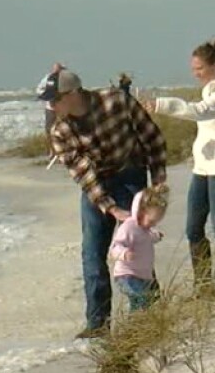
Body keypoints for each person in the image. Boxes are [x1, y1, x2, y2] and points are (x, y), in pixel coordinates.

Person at [41, 67, 169, 339]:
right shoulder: (59, 131)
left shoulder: (116, 101)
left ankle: (149, 313)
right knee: (92, 253)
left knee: (138, 245)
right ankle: (98, 324)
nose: (51, 106)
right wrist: (111, 208)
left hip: (131, 173)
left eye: (56, 99)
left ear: (74, 93)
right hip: (97, 184)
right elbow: (84, 175)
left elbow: (152, 137)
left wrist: (158, 182)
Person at [145, 37, 215, 294]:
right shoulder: (210, 88)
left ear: (214, 65)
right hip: (203, 166)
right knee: (193, 229)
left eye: (199, 69)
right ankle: (204, 287)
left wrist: (161, 105)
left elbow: (202, 111)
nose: (196, 74)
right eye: (194, 69)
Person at [111, 184, 169, 313]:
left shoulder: (145, 229)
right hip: (126, 275)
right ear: (140, 212)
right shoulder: (129, 228)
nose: (153, 224)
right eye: (152, 221)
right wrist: (124, 253)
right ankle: (140, 325)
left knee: (138, 304)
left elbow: (148, 238)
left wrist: (157, 236)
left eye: (156, 222)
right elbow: (115, 247)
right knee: (144, 299)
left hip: (142, 275)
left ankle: (134, 326)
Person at [36, 62, 65, 153]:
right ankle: (52, 151)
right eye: (55, 68)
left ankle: (63, 149)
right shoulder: (48, 78)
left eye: (58, 68)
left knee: (63, 129)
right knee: (49, 130)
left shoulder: (65, 79)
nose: (56, 70)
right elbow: (39, 89)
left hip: (62, 108)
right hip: (50, 109)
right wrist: (46, 95)